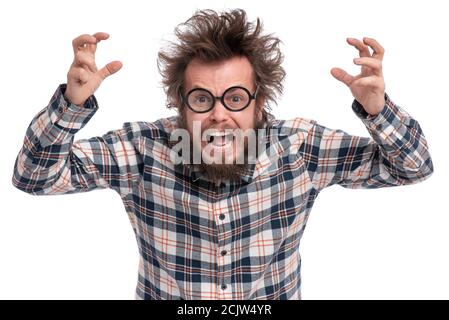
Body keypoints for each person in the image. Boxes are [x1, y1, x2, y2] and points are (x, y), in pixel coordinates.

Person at [12, 9, 433, 300]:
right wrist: (71, 104)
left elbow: (413, 167)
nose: (218, 115)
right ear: (180, 103)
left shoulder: (299, 148)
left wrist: (377, 110)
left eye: (234, 98)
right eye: (201, 99)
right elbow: (34, 177)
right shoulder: (144, 151)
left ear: (258, 101)